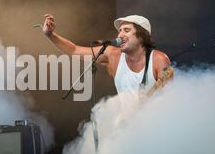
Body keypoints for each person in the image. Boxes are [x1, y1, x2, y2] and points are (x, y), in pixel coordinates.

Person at [42, 14, 172, 95]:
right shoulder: (112, 55)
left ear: (142, 36)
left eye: (126, 30)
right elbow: (74, 50)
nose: (120, 35)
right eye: (120, 31)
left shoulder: (159, 59)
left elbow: (170, 101)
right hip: (127, 130)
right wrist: (50, 35)